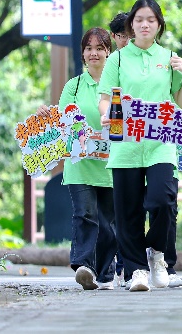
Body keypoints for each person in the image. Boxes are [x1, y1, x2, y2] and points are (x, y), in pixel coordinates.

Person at [98, 0, 182, 292]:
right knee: (127, 211)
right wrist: (107, 113)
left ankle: (155, 252)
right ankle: (136, 270)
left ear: (159, 25)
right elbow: (105, 97)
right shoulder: (116, 59)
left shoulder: (169, 57)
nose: (144, 24)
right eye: (139, 19)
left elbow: (180, 103)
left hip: (160, 142)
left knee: (162, 201)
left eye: (150, 20)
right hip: (126, 143)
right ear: (131, 24)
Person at [37, 28, 118, 290]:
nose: (93, 53)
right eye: (89, 48)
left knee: (108, 221)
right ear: (83, 53)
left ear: (109, 51)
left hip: (111, 165)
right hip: (79, 164)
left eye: (100, 48)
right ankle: (84, 266)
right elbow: (61, 121)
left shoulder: (119, 84)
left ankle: (106, 273)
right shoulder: (74, 85)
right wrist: (46, 117)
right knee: (85, 214)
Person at [107, 11, 130, 287]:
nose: (126, 40)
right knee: (115, 211)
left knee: (130, 208)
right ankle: (113, 265)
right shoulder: (110, 65)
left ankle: (126, 264)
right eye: (122, 35)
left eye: (129, 34)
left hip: (136, 148)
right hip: (108, 151)